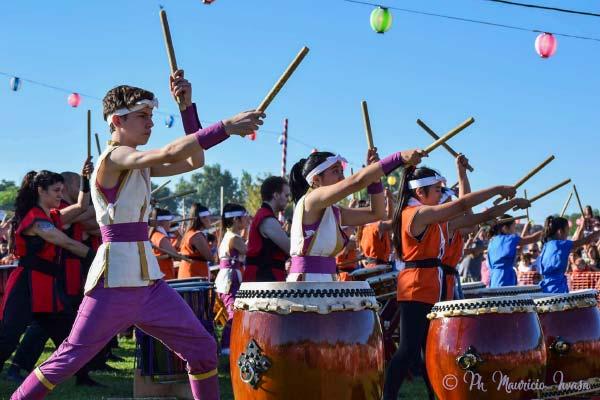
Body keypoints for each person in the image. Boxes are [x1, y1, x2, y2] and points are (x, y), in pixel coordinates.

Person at [11, 69, 263, 399]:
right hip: (113, 284)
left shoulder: (137, 162)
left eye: (151, 116)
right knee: (68, 359)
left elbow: (193, 160)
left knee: (201, 345)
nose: (151, 123)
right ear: (117, 120)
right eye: (143, 116)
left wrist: (187, 108)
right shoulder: (113, 157)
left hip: (149, 284)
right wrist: (225, 127)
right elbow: (170, 153)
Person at [383, 164, 518, 400]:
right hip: (416, 288)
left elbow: (476, 217)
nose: (440, 193)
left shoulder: (430, 217)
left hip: (428, 287)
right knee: (407, 350)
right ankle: (388, 396)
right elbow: (463, 205)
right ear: (420, 192)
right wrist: (497, 188)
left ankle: (434, 395)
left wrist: (508, 207)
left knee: (431, 351)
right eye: (436, 189)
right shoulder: (418, 214)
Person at [0, 166, 93, 380]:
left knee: (70, 334)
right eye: (56, 190)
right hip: (26, 285)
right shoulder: (36, 220)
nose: (61, 195)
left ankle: (83, 378)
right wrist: (98, 257)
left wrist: (85, 179)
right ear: (41, 191)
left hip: (48, 286)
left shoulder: (50, 216)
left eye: (61, 190)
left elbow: (81, 205)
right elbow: (66, 242)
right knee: (8, 337)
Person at [288, 148, 423, 281]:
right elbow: (356, 182)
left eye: (342, 171)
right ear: (316, 180)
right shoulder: (311, 200)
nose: (342, 177)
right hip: (306, 282)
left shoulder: (334, 210)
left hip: (327, 281)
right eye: (336, 171)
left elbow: (377, 213)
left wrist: (375, 179)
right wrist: (399, 157)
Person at [214, 203, 249, 353]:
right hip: (230, 280)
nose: (247, 219)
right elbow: (250, 251)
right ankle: (227, 347)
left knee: (235, 311)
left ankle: (229, 345)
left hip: (230, 278)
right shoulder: (234, 238)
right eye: (245, 217)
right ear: (236, 219)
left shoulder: (231, 236)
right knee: (234, 312)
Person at [243, 176, 291, 282]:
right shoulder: (266, 218)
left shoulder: (265, 216)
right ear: (276, 195)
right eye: (286, 195)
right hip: (263, 278)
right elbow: (290, 248)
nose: (288, 199)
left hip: (264, 276)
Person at [538, 216, 600, 293]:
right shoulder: (560, 244)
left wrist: (581, 227)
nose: (568, 234)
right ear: (560, 232)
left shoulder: (546, 245)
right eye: (567, 230)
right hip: (557, 290)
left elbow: (576, 245)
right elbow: (586, 240)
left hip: (545, 288)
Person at [487, 217, 542, 288]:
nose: (514, 230)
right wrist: (546, 230)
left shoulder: (492, 241)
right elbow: (533, 239)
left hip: (495, 277)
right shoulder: (509, 239)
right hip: (505, 278)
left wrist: (525, 229)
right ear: (505, 228)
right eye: (513, 227)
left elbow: (519, 250)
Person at [178, 203, 213, 279]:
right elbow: (210, 257)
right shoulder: (196, 235)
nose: (210, 220)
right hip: (193, 275)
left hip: (191, 273)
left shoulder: (191, 233)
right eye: (208, 217)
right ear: (203, 219)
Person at [149, 208, 178, 280]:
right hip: (164, 278)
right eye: (168, 221)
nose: (170, 223)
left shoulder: (155, 235)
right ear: (161, 222)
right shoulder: (159, 236)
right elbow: (176, 256)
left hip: (163, 277)